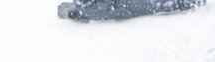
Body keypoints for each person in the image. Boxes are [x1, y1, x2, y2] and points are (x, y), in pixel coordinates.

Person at [58, 0, 203, 22]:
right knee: (156, 5)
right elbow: (107, 7)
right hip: (126, 7)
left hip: (125, 7)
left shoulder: (84, 8)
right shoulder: (87, 11)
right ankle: (191, 2)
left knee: (156, 4)